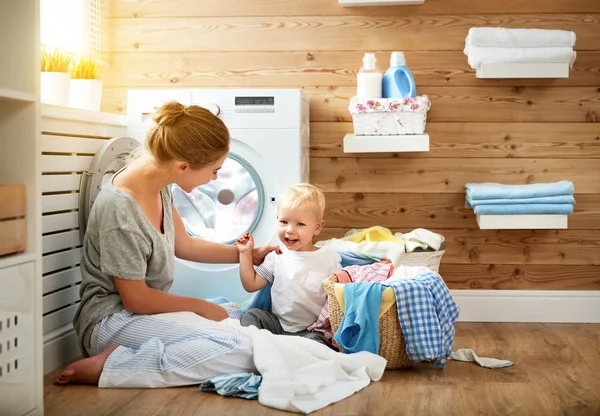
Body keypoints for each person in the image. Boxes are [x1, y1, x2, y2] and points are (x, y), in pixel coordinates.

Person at [54, 101, 279, 387]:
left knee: (241, 318)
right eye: (214, 170)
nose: (216, 178)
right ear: (183, 166)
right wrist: (197, 307)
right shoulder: (121, 209)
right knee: (241, 349)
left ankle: (137, 355)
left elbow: (185, 245)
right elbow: (135, 299)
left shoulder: (159, 186)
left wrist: (248, 255)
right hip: (111, 321)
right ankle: (112, 366)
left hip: (140, 314)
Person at [236, 183, 342, 347]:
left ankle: (290, 356)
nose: (289, 230)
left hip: (311, 330)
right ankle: (263, 350)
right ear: (277, 219)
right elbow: (250, 284)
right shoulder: (276, 257)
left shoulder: (329, 259)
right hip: (277, 326)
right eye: (284, 222)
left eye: (300, 224)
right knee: (252, 316)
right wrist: (245, 253)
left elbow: (343, 294)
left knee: (317, 344)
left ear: (317, 227)